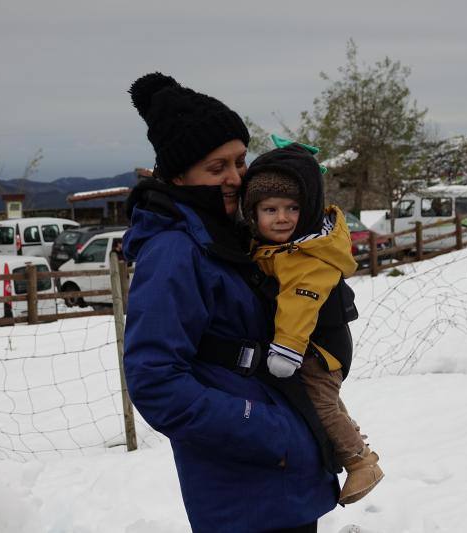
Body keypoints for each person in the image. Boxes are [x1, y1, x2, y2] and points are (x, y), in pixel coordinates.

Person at [122, 73, 338, 533]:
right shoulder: (174, 252)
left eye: (240, 162)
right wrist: (262, 429)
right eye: (217, 168)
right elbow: (155, 381)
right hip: (245, 486)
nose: (236, 178)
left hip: (280, 478)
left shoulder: (230, 237)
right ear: (179, 175)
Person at [242, 140, 384, 505]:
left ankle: (359, 462)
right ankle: (355, 439)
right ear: (253, 213)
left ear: (306, 211)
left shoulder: (306, 256)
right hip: (318, 341)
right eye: (270, 209)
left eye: (292, 208)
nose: (282, 217)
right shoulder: (286, 246)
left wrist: (286, 351)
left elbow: (298, 305)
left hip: (319, 347)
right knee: (328, 401)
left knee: (320, 403)